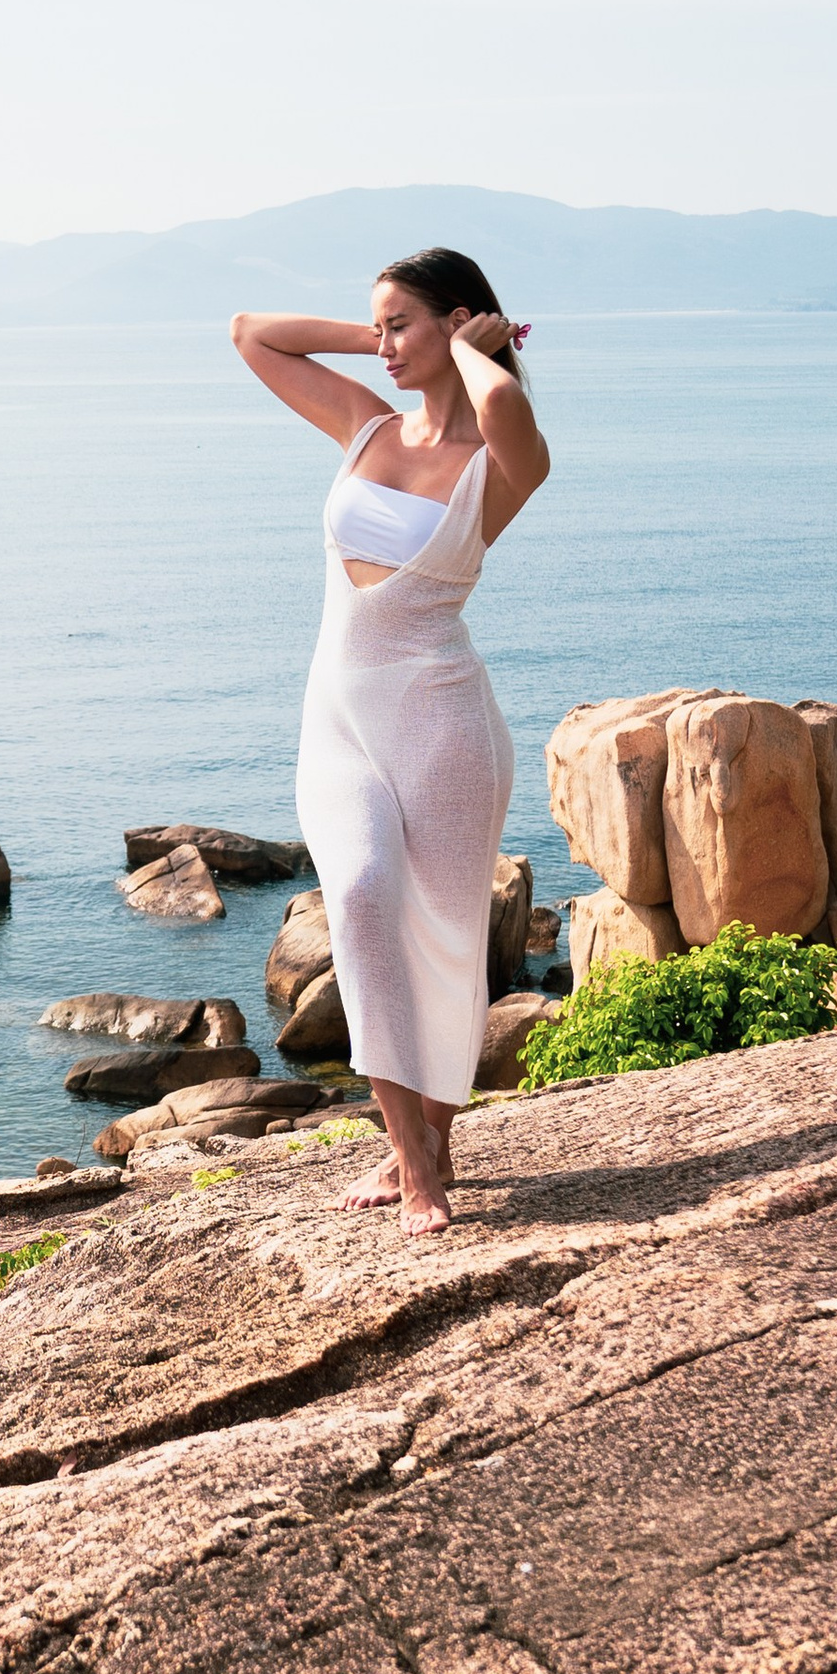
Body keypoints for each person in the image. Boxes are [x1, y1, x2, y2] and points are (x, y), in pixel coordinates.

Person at [231, 247, 550, 1236]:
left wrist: (470, 350)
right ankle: (414, 1165)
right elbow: (252, 334)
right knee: (363, 897)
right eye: (379, 327)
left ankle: (432, 1146)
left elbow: (506, 408)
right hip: (339, 723)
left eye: (399, 325)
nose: (384, 347)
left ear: (459, 323)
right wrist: (380, 336)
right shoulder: (365, 425)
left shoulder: (498, 455)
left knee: (449, 940)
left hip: (445, 728)